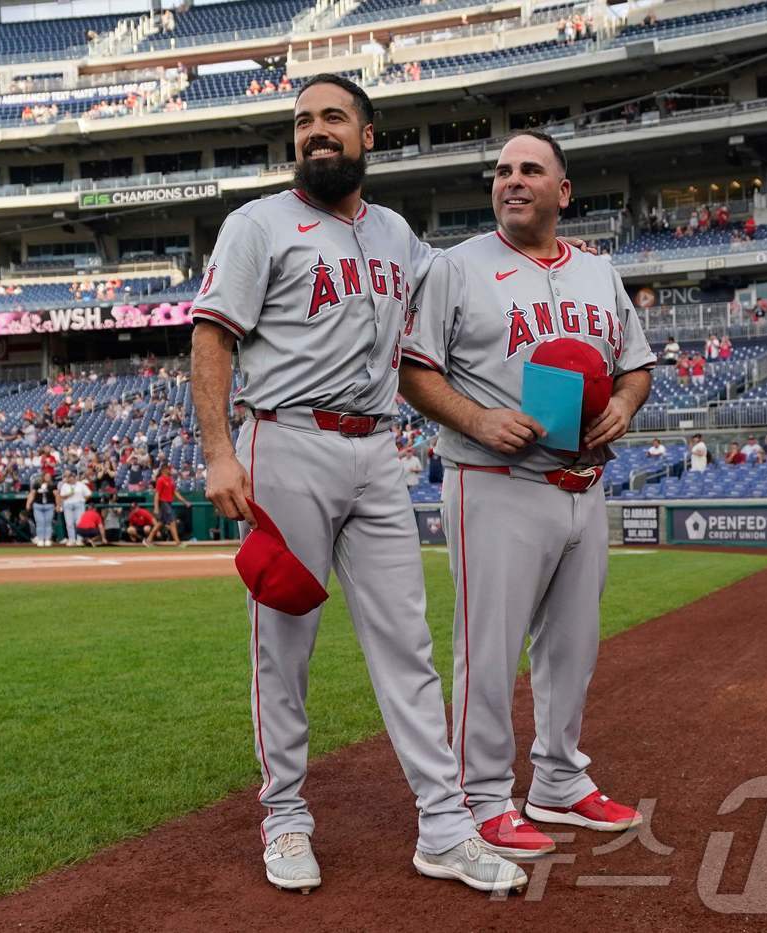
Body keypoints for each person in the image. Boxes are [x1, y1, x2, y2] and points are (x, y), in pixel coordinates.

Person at [192, 73, 525, 894]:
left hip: (378, 451)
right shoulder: (257, 223)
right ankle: (286, 817)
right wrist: (217, 450)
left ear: (367, 135)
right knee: (283, 648)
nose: (315, 132)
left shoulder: (397, 233)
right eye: (303, 121)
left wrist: (545, 253)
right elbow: (212, 335)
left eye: (333, 118)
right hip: (287, 441)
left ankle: (444, 827)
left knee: (408, 645)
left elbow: (459, 290)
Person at [401, 128, 655, 861]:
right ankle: (482, 798)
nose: (513, 180)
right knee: (489, 648)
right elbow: (414, 369)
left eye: (531, 169)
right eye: (504, 170)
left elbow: (635, 366)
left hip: (584, 481)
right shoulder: (455, 267)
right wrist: (477, 417)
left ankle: (557, 779)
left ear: (562, 191)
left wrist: (627, 407)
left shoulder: (599, 271)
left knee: (572, 647)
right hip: (495, 480)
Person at [149, 462, 189, 544]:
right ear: (164, 470)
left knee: (160, 523)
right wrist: (156, 507)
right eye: (169, 469)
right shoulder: (160, 480)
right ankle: (177, 542)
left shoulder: (171, 480)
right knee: (172, 521)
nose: (170, 470)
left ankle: (148, 540)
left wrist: (185, 501)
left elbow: (175, 492)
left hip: (169, 503)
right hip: (163, 502)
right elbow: (157, 494)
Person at [58, 470, 91, 547]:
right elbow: (62, 496)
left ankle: (79, 540)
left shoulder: (81, 485)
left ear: (75, 477)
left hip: (79, 504)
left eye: (73, 477)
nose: (71, 479)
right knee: (69, 523)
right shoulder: (65, 485)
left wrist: (83, 500)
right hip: (68, 505)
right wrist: (69, 494)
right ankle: (71, 540)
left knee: (79, 523)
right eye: (70, 477)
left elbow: (88, 494)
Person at [26, 472, 58, 547]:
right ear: (43, 477)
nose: (47, 477)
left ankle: (47, 539)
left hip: (49, 505)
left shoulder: (53, 485)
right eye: (46, 476)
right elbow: (32, 494)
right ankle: (40, 539)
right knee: (40, 522)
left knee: (48, 523)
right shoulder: (37, 484)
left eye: (49, 476)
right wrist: (28, 503)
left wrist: (58, 505)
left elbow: (56, 495)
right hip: (38, 505)